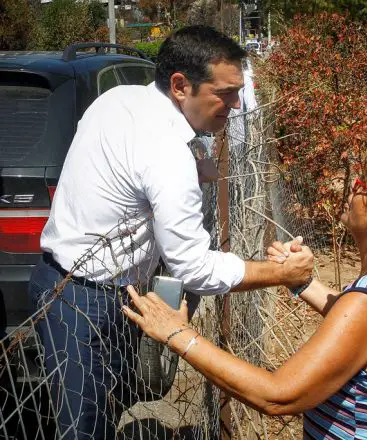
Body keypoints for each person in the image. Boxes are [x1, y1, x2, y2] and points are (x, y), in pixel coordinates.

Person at [27, 26, 313, 440]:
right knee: (83, 428)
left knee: (105, 408)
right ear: (180, 85)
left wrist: (192, 164)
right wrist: (284, 275)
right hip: (85, 302)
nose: (235, 106)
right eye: (226, 93)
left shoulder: (119, 98)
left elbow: (126, 167)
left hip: (69, 284)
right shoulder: (165, 152)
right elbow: (194, 269)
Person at [124, 148, 367, 439]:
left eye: (363, 187)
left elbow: (278, 395)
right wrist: (302, 283)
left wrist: (177, 334)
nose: (353, 188)